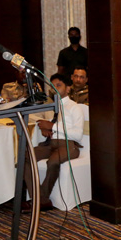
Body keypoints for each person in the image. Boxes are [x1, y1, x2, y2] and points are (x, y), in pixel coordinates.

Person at [23, 73, 84, 211]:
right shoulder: (52, 107)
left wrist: (52, 126)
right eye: (53, 86)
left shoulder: (75, 108)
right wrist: (45, 128)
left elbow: (78, 134)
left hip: (68, 145)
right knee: (26, 156)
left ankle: (40, 199)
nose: (55, 88)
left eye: (59, 85)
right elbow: (46, 122)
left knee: (53, 162)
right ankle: (39, 198)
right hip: (50, 143)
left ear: (68, 88)